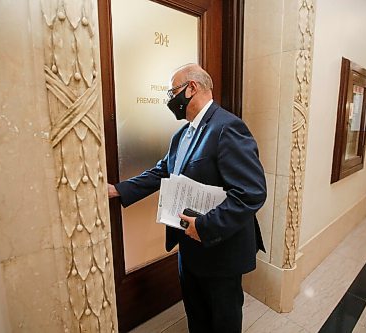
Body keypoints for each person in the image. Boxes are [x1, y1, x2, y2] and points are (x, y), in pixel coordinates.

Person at [108, 64, 267, 332]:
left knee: (222, 321)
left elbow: (250, 193)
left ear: (191, 88)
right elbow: (162, 172)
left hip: (219, 248)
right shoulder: (182, 134)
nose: (171, 100)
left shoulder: (227, 127)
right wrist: (118, 189)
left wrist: (204, 226)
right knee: (197, 316)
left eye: (173, 91)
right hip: (189, 248)